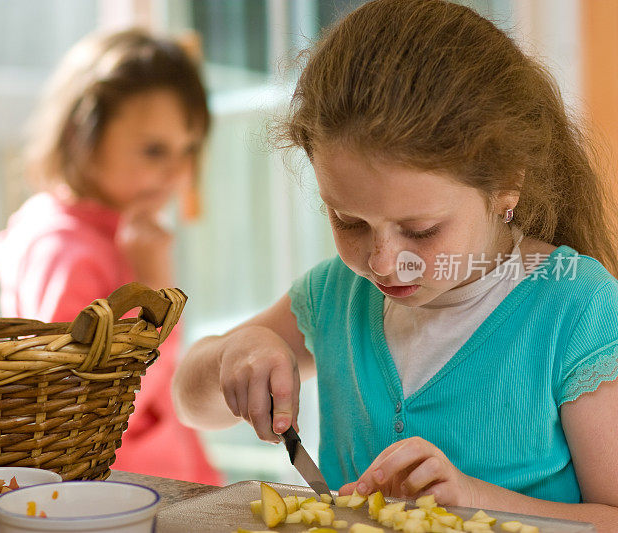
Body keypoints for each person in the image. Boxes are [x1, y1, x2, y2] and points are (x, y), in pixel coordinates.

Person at [171, 0, 618, 526]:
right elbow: (190, 403)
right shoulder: (335, 296)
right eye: (349, 222)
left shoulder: (575, 307)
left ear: (505, 186)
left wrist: (477, 500)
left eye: (421, 230)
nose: (383, 263)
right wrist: (235, 353)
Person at [0, 29, 221, 485]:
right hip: (112, 499)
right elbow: (78, 409)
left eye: (188, 148)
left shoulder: (121, 232)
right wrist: (154, 296)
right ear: (81, 138)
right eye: (154, 150)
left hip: (156, 487)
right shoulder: (63, 252)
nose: (178, 172)